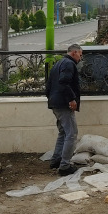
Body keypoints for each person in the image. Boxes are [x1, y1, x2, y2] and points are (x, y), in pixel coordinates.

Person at [45, 43, 83, 176]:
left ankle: (56, 160)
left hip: (55, 103)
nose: (80, 58)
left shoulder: (58, 63)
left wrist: (52, 100)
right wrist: (71, 99)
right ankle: (65, 166)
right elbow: (64, 82)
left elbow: (48, 85)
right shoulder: (68, 64)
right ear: (74, 52)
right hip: (63, 104)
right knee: (71, 134)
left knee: (63, 132)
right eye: (80, 55)